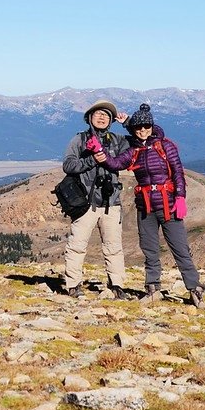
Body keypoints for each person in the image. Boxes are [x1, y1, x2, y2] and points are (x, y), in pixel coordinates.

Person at [92, 103, 205, 309]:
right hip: (145, 207)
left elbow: (178, 173)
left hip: (169, 205)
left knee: (180, 249)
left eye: (146, 126)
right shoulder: (133, 149)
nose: (142, 130)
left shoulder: (166, 146)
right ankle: (153, 289)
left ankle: (195, 289)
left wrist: (180, 197)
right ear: (134, 129)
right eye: (138, 128)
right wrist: (102, 155)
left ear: (152, 126)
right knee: (149, 249)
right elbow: (117, 163)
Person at [61, 99, 131, 300]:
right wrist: (91, 160)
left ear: (111, 121)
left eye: (106, 115)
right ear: (90, 118)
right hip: (86, 203)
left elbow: (144, 138)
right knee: (77, 245)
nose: (101, 117)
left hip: (111, 202)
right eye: (98, 113)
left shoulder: (118, 140)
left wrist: (127, 123)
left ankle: (117, 285)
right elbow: (68, 165)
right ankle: (73, 285)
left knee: (114, 247)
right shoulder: (79, 140)